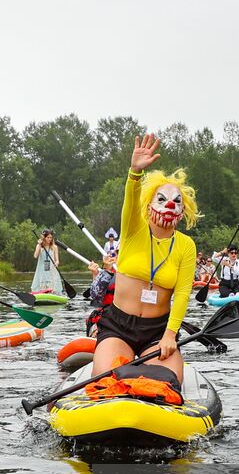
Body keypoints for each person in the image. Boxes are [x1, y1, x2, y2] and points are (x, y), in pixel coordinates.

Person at [93, 133, 199, 382]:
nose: (170, 205)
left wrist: (170, 334)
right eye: (162, 199)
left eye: (177, 202)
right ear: (149, 203)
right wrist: (135, 173)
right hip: (118, 327)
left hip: (157, 331)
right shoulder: (133, 229)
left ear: (183, 211)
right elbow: (129, 200)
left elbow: (183, 293)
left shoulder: (186, 245)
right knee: (109, 380)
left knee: (166, 383)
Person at [84, 251, 117, 335]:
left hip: (125, 318)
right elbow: (96, 296)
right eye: (115, 254)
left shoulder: (136, 273)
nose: (116, 257)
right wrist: (96, 274)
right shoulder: (106, 272)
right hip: (107, 316)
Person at [31, 229, 61, 293]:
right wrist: (39, 244)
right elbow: (35, 256)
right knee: (43, 286)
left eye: (51, 237)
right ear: (44, 238)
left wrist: (56, 263)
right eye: (48, 237)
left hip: (52, 270)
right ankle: (41, 293)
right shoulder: (40, 246)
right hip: (42, 270)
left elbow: (57, 260)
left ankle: (52, 294)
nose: (49, 239)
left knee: (51, 286)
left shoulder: (54, 247)